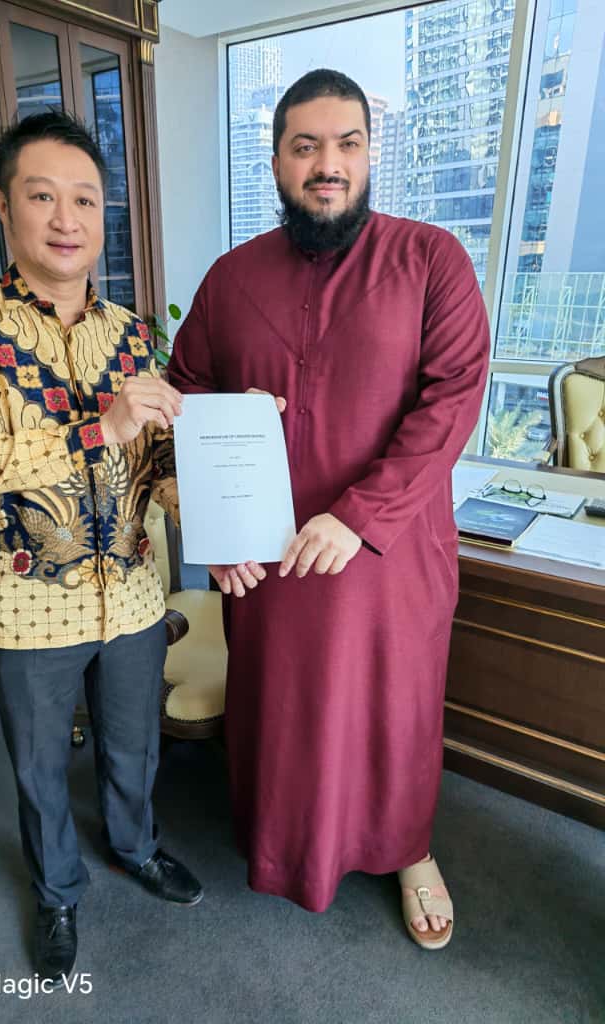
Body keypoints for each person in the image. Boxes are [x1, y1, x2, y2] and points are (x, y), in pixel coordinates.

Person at [168, 70, 490, 949]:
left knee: (395, 713)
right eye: (305, 146)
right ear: (276, 161)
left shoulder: (431, 260)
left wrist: (358, 516)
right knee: (283, 713)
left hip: (391, 558)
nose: (327, 165)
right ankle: (284, 849)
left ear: (370, 153)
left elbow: (453, 399)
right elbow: (184, 394)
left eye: (347, 143)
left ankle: (409, 851)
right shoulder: (231, 278)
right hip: (268, 562)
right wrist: (216, 522)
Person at [0, 111, 202, 986]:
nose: (66, 218)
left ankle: (135, 845)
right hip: (26, 599)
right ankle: (57, 893)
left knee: (133, 745)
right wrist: (97, 428)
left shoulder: (133, 334)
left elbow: (156, 463)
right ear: (5, 205)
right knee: (42, 767)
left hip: (133, 594)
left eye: (84, 199)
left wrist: (216, 500)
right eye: (43, 196)